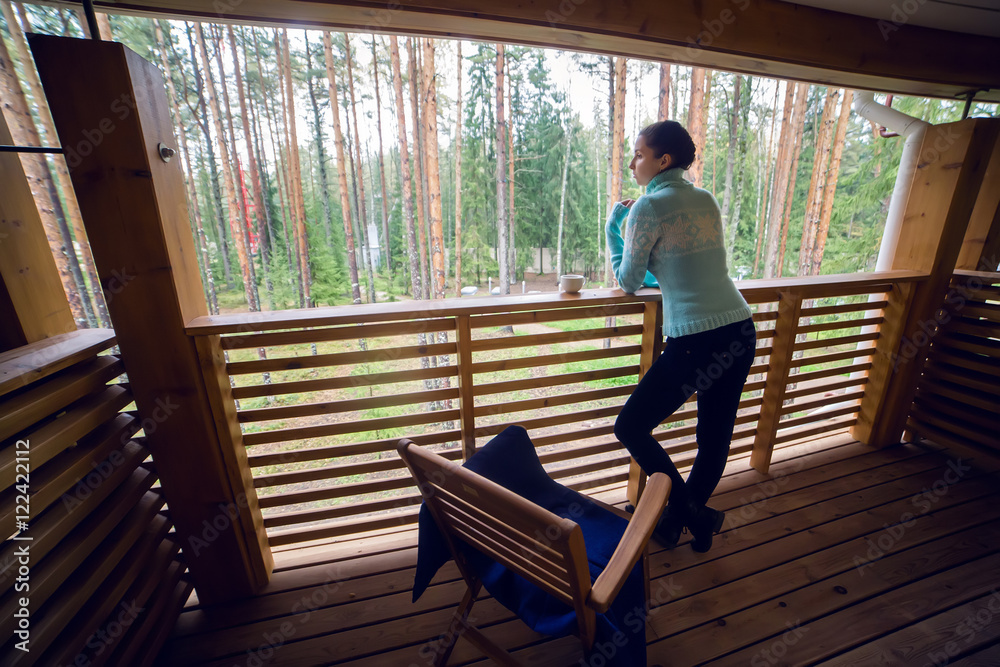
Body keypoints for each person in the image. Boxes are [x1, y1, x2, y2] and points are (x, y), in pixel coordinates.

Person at [606, 120, 756, 553]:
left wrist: (615, 228)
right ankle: (679, 522)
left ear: (662, 160)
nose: (633, 161)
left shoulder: (646, 209)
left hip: (696, 339)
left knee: (630, 426)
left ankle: (689, 513)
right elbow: (679, 265)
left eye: (638, 154)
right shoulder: (705, 199)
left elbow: (630, 280)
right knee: (713, 438)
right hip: (740, 329)